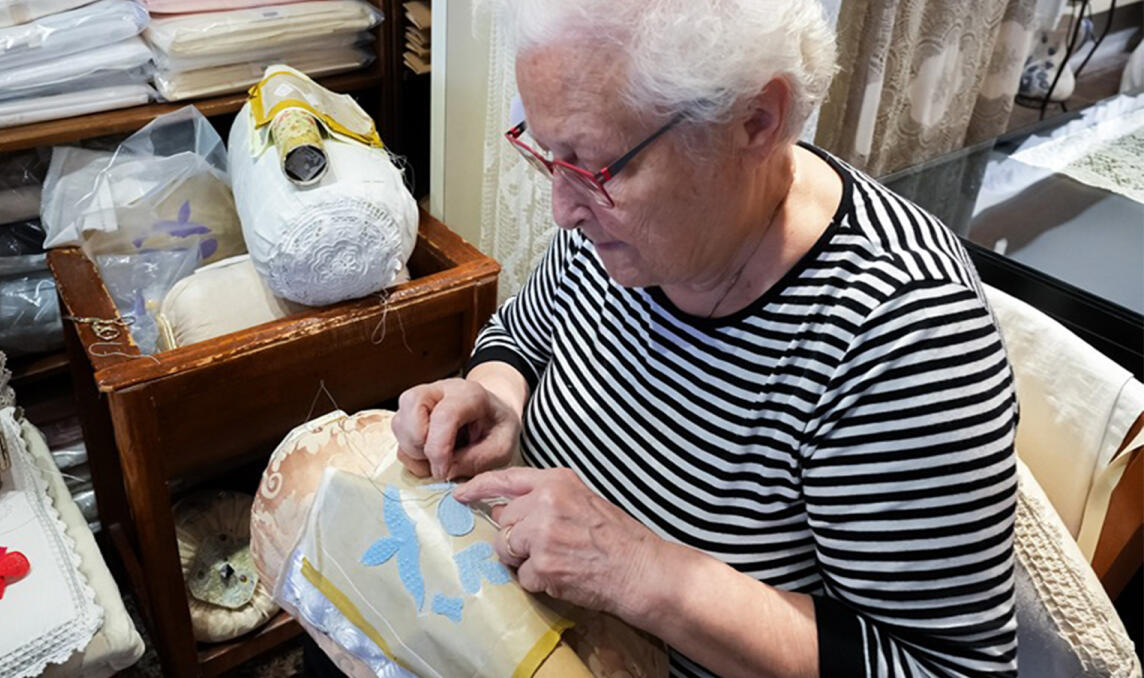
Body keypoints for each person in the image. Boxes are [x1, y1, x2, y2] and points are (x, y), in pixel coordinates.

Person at [392, 1, 1019, 676]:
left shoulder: (902, 337)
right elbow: (522, 333)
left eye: (595, 166)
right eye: (551, 155)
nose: (563, 211)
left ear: (755, 120)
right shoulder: (632, 228)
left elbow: (944, 667)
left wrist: (637, 571)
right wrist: (494, 398)